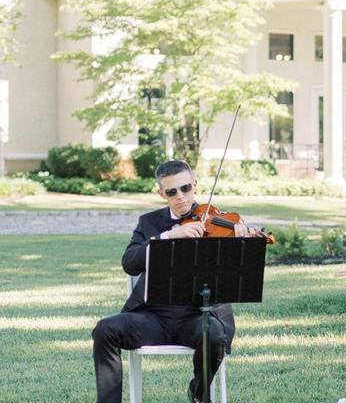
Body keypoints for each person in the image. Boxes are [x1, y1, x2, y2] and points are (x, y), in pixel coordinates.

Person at [92, 159, 260, 403]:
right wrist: (168, 236)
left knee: (214, 334)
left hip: (198, 317)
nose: (180, 197)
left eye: (185, 188)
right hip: (152, 317)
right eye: (172, 192)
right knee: (105, 330)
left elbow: (238, 270)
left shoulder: (216, 222)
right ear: (162, 193)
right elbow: (130, 262)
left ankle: (199, 394)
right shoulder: (149, 223)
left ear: (195, 185)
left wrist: (242, 244)